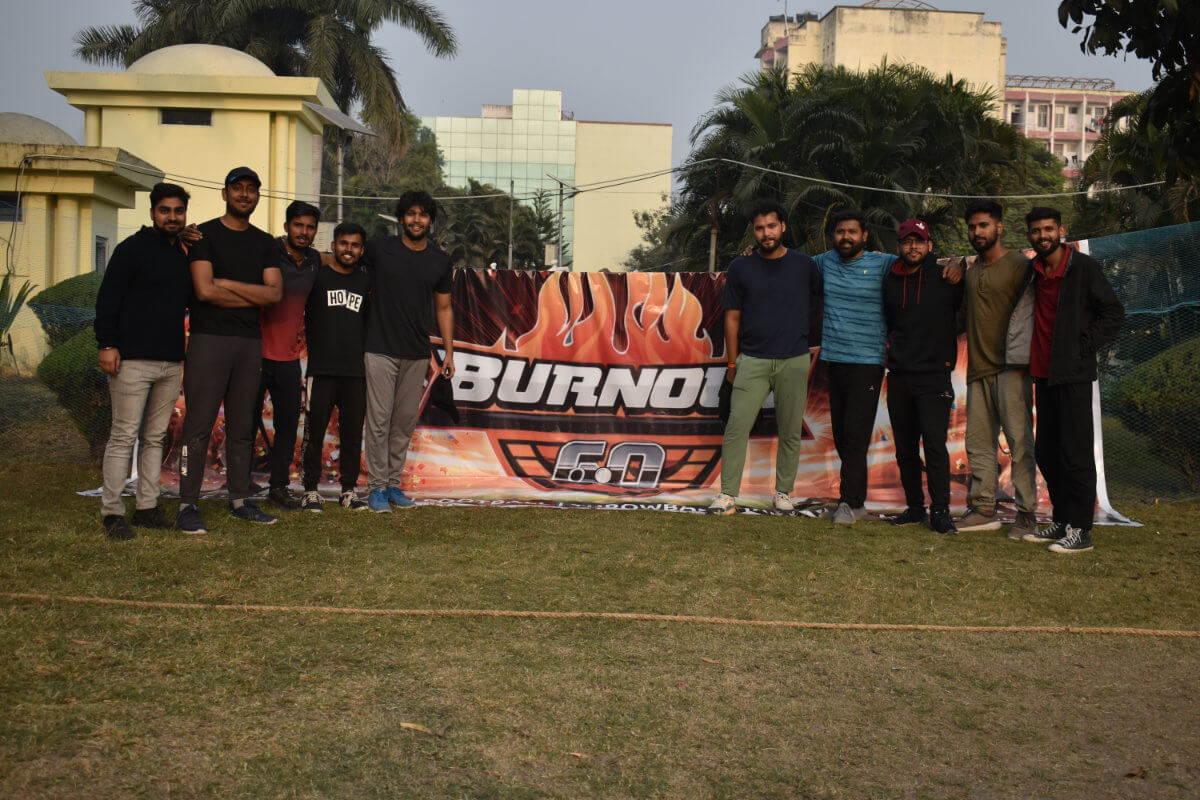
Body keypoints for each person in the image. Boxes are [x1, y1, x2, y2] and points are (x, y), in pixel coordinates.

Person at [176, 166, 282, 534]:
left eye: (251, 189)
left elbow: (274, 294)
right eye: (238, 188)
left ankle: (239, 500)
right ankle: (187, 504)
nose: (244, 194)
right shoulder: (203, 235)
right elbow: (204, 292)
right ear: (225, 193)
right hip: (208, 340)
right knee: (198, 427)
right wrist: (252, 296)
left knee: (242, 427)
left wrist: (226, 283)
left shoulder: (266, 243)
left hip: (249, 343)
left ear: (257, 196)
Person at [1018, 207, 1124, 553]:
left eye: (1048, 229)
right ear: (1029, 235)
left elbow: (1113, 312)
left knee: (1075, 454)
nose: (1043, 236)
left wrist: (1083, 347)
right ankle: (1063, 520)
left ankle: (1081, 530)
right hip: (1043, 373)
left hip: (1074, 374)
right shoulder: (1032, 271)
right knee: (1048, 452)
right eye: (1036, 230)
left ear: (1061, 230)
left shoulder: (1083, 267)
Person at [709, 199, 822, 515]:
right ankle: (727, 495)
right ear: (754, 232)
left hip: (794, 359)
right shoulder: (740, 267)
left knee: (790, 431)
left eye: (772, 226)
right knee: (736, 427)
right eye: (759, 228)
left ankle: (783, 493)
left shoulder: (804, 265)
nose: (766, 233)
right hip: (752, 359)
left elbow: (828, 293)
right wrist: (732, 363)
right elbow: (731, 318)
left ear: (783, 227)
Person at [93, 182, 193, 540]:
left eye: (178, 211)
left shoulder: (184, 253)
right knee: (123, 436)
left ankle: (147, 508)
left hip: (171, 361)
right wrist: (107, 344)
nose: (172, 217)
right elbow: (108, 299)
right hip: (132, 361)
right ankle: (112, 513)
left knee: (155, 438)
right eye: (165, 210)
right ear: (152, 213)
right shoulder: (131, 250)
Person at [362, 189, 456, 513]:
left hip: (417, 352)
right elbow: (344, 258)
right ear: (401, 218)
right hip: (379, 348)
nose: (417, 220)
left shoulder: (440, 260)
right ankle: (376, 488)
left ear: (430, 221)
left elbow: (444, 308)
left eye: (423, 215)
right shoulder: (379, 248)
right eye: (411, 214)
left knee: (403, 423)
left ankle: (392, 485)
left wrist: (448, 353)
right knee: (379, 421)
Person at [958, 200, 1038, 539]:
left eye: (984, 225)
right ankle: (983, 509)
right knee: (978, 444)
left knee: (1019, 443)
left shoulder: (1020, 265)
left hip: (1012, 370)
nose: (977, 232)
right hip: (977, 370)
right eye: (973, 227)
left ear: (999, 227)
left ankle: (1027, 514)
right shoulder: (971, 271)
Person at [882, 219, 964, 535]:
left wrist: (960, 268)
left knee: (934, 446)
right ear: (899, 247)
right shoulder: (890, 281)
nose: (913, 247)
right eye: (907, 241)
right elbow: (889, 322)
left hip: (934, 376)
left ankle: (940, 511)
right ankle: (915, 508)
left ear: (929, 246)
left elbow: (965, 311)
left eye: (919, 241)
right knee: (905, 448)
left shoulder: (946, 278)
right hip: (899, 375)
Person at [300, 222, 372, 512]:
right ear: (333, 246)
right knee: (314, 433)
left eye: (355, 245)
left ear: (362, 250)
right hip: (322, 370)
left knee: (352, 434)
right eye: (343, 243)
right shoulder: (318, 278)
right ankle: (309, 490)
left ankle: (348, 491)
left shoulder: (366, 282)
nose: (348, 249)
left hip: (355, 372)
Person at [256, 200, 321, 510]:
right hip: (255, 355)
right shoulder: (267, 251)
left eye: (310, 227)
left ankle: (279, 487)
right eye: (298, 225)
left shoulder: (315, 261)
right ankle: (238, 485)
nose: (304, 232)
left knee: (286, 428)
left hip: (290, 360)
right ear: (286, 227)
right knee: (245, 423)